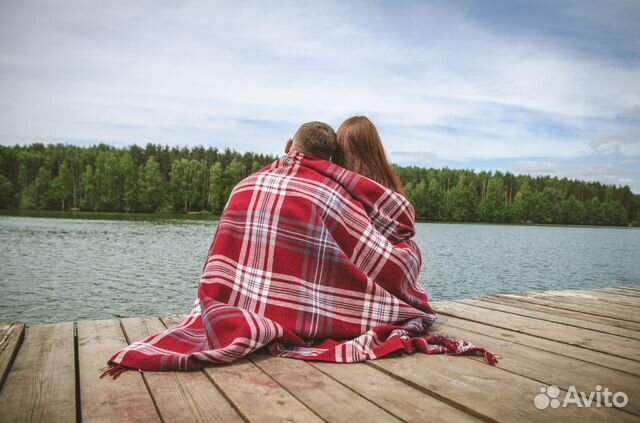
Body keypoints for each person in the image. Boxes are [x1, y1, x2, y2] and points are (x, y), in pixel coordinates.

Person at [103, 120, 496, 378]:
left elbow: (222, 259)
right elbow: (373, 251)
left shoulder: (244, 184)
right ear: (332, 160)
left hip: (230, 308)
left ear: (288, 144)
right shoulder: (333, 193)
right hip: (311, 313)